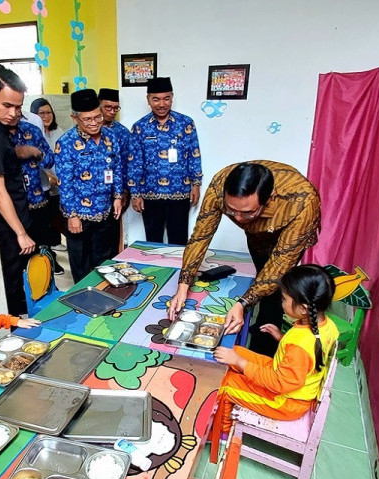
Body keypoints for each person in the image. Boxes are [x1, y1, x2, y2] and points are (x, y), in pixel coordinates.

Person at [168, 160, 321, 356]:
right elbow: (201, 237)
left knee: (278, 289)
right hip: (258, 238)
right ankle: (257, 323)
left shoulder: (302, 202)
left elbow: (279, 264)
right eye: (232, 211)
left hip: (290, 238)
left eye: (247, 212)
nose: (238, 218)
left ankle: (263, 350)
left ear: (269, 199)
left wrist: (242, 303)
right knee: (260, 276)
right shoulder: (219, 186)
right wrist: (183, 284)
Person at [213, 265, 338, 441]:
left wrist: (241, 364)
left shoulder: (299, 348)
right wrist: (282, 338)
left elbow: (280, 382)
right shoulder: (326, 325)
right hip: (286, 379)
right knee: (234, 351)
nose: (281, 302)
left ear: (303, 308)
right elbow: (310, 353)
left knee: (226, 384)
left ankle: (220, 432)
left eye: (284, 298)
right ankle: (236, 386)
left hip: (284, 401)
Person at [0, 64, 35, 316]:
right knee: (13, 278)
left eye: (19, 107)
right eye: (7, 106)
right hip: (8, 222)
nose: (14, 113)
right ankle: (16, 328)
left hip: (16, 213)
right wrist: (21, 233)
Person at [55, 89, 123, 283]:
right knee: (82, 265)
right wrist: (72, 216)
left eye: (98, 117)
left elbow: (117, 167)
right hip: (80, 217)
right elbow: (64, 183)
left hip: (106, 212)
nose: (94, 123)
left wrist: (118, 196)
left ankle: (107, 298)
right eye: (87, 119)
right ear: (74, 118)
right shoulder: (66, 143)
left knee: (106, 263)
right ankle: (85, 303)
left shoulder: (110, 137)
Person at [129, 77, 202, 244]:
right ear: (148, 100)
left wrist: (196, 184)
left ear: (172, 98)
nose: (161, 104)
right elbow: (134, 163)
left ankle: (178, 270)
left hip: (179, 193)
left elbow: (194, 155)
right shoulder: (140, 127)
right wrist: (135, 194)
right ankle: (156, 270)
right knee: (153, 241)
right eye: (156, 99)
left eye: (166, 98)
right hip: (150, 194)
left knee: (178, 241)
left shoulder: (186, 124)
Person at [9, 114, 64, 274]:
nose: (14, 112)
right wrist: (15, 153)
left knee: (41, 249)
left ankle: (45, 286)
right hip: (9, 206)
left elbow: (49, 161)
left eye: (18, 107)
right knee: (16, 255)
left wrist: (35, 152)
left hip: (37, 201)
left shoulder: (31, 130)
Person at [99, 88, 134, 248]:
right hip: (92, 194)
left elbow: (127, 164)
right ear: (98, 105)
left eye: (115, 108)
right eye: (108, 107)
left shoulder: (122, 133)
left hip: (116, 192)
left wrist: (124, 192)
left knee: (114, 234)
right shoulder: (87, 129)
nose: (112, 112)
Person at [31, 97, 66, 251]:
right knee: (45, 220)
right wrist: (48, 175)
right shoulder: (32, 133)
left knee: (57, 214)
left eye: (48, 112)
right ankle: (50, 254)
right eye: (41, 113)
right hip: (42, 183)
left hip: (59, 180)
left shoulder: (58, 131)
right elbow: (36, 159)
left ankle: (56, 241)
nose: (46, 116)